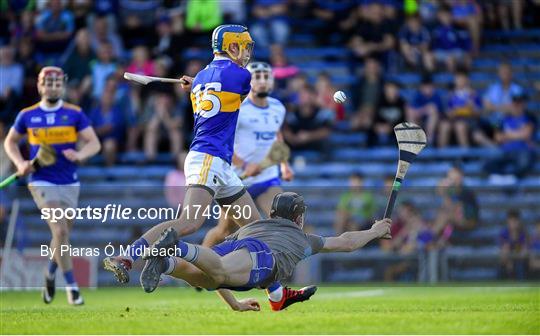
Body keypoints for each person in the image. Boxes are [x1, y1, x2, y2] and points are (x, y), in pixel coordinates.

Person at [103, 24, 304, 310]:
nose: (246, 53)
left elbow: (214, 93)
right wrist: (199, 81)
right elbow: (246, 100)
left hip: (219, 164)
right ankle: (128, 256)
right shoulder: (239, 76)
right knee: (189, 223)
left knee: (257, 228)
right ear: (231, 46)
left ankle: (274, 296)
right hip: (208, 159)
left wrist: (197, 81)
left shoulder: (200, 79)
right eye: (243, 46)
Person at [140, 192, 392, 311]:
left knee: (207, 277)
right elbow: (346, 242)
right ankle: (177, 246)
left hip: (239, 245)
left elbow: (217, 279)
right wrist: (375, 231)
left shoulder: (255, 225)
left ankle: (164, 264)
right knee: (218, 271)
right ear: (299, 217)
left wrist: (235, 305)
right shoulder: (303, 239)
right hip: (262, 255)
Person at [201, 62, 301, 311]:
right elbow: (224, 139)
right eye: (258, 76)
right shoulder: (239, 107)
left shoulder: (278, 107)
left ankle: (277, 287)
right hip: (238, 179)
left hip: (267, 177)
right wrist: (244, 163)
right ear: (250, 81)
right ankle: (198, 265)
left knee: (281, 222)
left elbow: (277, 136)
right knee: (223, 230)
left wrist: (284, 165)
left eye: (267, 76)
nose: (264, 80)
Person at [3, 66, 101, 305]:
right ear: (39, 85)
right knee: (59, 231)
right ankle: (72, 287)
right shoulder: (27, 115)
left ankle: (49, 272)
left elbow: (94, 144)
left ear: (63, 85)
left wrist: (79, 155)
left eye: (57, 82)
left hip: (69, 181)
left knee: (62, 235)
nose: (53, 86)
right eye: (48, 82)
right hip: (41, 180)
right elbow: (11, 142)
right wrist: (20, 162)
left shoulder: (74, 113)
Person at [484, 91, 536, 180]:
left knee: (524, 163)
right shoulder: (503, 119)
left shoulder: (530, 117)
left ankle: (511, 178)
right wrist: (518, 133)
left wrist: (507, 135)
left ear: (524, 104)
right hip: (505, 150)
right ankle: (503, 177)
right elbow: (497, 137)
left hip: (523, 150)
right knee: (486, 163)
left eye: (520, 103)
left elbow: (526, 134)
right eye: (515, 102)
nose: (517, 105)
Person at [407, 74, 444, 145]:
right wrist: (425, 110)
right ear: (421, 87)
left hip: (436, 124)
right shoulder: (418, 96)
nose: (427, 89)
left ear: (433, 87)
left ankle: (428, 140)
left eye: (429, 86)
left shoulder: (436, 96)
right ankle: (416, 141)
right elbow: (412, 110)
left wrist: (424, 110)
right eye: (425, 86)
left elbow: (437, 111)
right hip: (420, 121)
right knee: (410, 113)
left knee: (433, 112)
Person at [499, 210, 528, 280]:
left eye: (515, 221)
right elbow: (504, 250)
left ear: (519, 222)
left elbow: (524, 251)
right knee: (502, 265)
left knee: (519, 266)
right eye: (511, 221)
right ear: (508, 222)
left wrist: (514, 256)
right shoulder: (503, 233)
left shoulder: (523, 234)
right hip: (507, 260)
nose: (513, 224)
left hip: (519, 260)